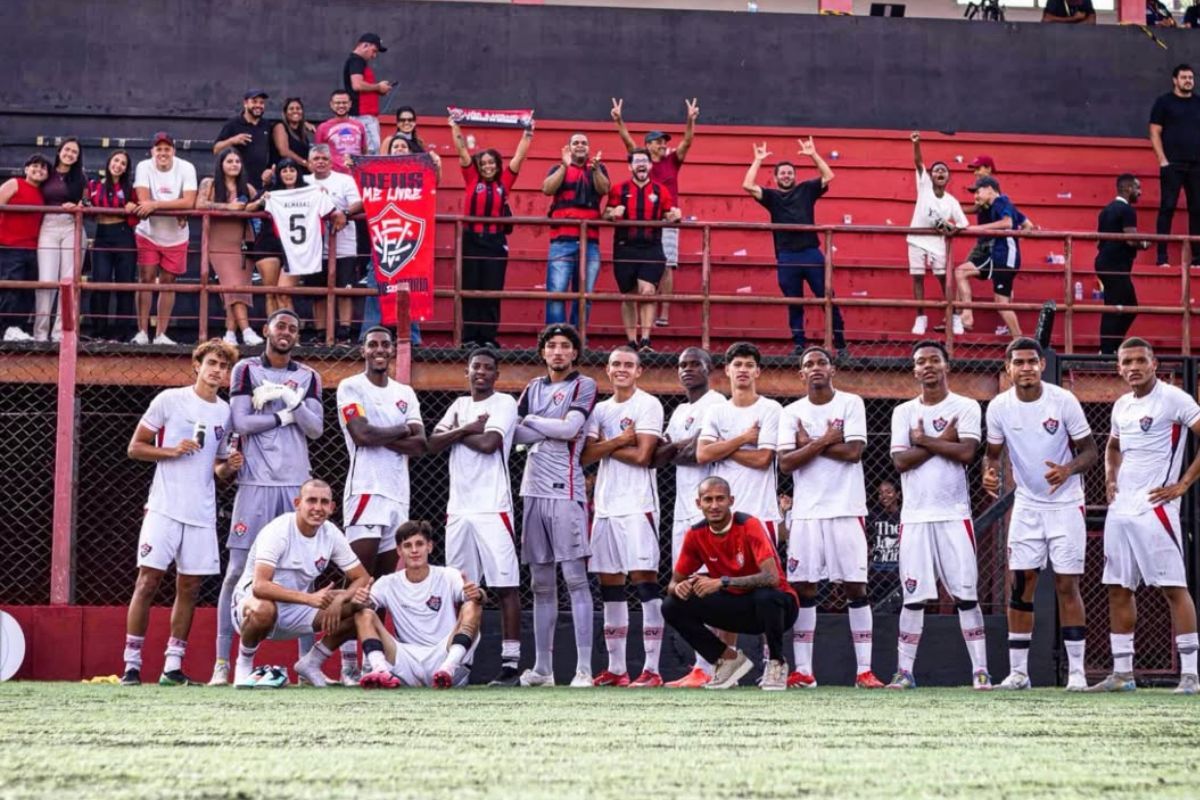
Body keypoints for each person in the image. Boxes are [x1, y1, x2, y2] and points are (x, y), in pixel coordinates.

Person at [209, 309, 323, 685]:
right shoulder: (246, 369)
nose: (286, 332)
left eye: (293, 328)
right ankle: (222, 663)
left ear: (297, 336)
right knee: (236, 572)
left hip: (295, 486)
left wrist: (291, 400)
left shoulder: (309, 376)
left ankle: (306, 666)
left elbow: (316, 428)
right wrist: (283, 418)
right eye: (280, 326)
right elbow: (242, 422)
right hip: (255, 485)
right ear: (266, 331)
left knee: (304, 574)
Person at [119, 339, 242, 685]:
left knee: (189, 587)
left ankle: (172, 667)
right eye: (212, 363)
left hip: (201, 513)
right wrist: (172, 450)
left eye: (223, 366)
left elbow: (217, 469)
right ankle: (131, 665)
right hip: (164, 507)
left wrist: (230, 466)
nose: (217, 371)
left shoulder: (225, 412)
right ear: (197, 365)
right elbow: (135, 448)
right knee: (147, 582)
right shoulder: (170, 400)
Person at [983, 338, 1097, 691]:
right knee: (1021, 584)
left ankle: (1076, 673)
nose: (1026, 368)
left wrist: (1067, 469)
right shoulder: (999, 407)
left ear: (1042, 365)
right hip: (1028, 505)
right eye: (1018, 362)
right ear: (1008, 368)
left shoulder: (1063, 401)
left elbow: (1090, 451)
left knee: (1067, 584)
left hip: (1066, 504)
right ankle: (1019, 673)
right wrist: (989, 472)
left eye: (1032, 361)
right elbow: (992, 453)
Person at [1089, 337, 1200, 694]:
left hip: (1156, 508)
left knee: (1173, 587)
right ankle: (1123, 674)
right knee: (1118, 587)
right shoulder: (1122, 404)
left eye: (1140, 360)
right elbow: (1113, 445)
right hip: (1121, 508)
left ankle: (1191, 675)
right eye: (1127, 362)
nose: (1133, 367)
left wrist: (1183, 484)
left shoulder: (1174, 398)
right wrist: (1110, 478)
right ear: (1118, 368)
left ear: (1154, 364)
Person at [777, 346, 884, 690]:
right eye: (809, 364)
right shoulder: (791, 412)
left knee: (855, 587)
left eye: (822, 362)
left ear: (832, 369)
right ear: (801, 374)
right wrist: (824, 440)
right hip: (806, 513)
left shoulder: (851, 403)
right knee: (804, 588)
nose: (816, 367)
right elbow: (785, 463)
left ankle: (864, 671)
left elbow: (854, 452)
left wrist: (807, 445)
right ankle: (804, 671)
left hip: (846, 509)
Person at [887, 340, 991, 690]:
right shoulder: (903, 412)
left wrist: (924, 441)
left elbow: (966, 453)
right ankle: (904, 672)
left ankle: (980, 671)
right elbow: (900, 462)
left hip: (953, 514)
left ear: (947, 365)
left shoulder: (966, 406)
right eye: (921, 361)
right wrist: (942, 440)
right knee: (914, 597)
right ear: (914, 370)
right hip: (915, 517)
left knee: (966, 594)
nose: (928, 366)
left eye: (934, 360)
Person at [427, 347, 522, 686]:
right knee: (462, 589)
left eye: (487, 368)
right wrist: (468, 428)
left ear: (496, 375)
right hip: (459, 508)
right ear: (466, 372)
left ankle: (510, 664)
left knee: (505, 585)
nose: (481, 372)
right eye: (475, 367)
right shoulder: (459, 405)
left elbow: (490, 443)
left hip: (493, 507)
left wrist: (457, 433)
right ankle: (460, 662)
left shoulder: (504, 403)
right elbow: (431, 443)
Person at [336, 326, 425, 683]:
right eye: (372, 344)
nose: (378, 349)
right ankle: (345, 663)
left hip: (398, 496)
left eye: (385, 345)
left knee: (383, 587)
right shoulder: (351, 387)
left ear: (392, 351)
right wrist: (401, 430)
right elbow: (361, 434)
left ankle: (374, 662)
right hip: (366, 492)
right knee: (358, 581)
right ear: (363, 350)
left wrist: (382, 434)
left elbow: (420, 444)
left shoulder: (405, 392)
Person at [513, 324, 598, 687]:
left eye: (565, 346)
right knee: (541, 583)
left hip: (565, 491)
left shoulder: (583, 385)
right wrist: (549, 426)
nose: (558, 351)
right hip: (532, 491)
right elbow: (513, 433)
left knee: (575, 579)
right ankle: (543, 669)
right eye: (552, 345)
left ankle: (584, 669)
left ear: (575, 352)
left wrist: (534, 422)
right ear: (543, 352)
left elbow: (570, 430)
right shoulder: (533, 387)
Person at [663, 476, 800, 691]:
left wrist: (722, 582)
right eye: (708, 500)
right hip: (737, 607)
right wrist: (680, 587)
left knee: (766, 596)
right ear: (699, 504)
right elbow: (672, 583)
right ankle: (728, 659)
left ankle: (776, 662)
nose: (714, 505)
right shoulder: (696, 534)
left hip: (779, 609)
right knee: (671, 605)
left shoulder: (748, 524)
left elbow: (771, 578)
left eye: (720, 499)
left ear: (731, 501)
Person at [231, 479, 370, 688]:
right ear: (297, 503)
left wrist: (341, 599)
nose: (318, 508)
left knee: (362, 606)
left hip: (297, 609)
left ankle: (311, 663)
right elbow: (260, 586)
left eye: (324, 502)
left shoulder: (331, 533)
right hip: (253, 605)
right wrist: (308, 598)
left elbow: (362, 578)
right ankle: (244, 663)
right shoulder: (278, 531)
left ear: (332, 508)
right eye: (311, 500)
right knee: (264, 608)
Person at [581, 347, 665, 688]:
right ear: (607, 369)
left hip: (637, 505)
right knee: (610, 586)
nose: (622, 369)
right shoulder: (600, 409)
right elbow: (585, 455)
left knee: (645, 583)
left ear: (639, 371)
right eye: (616, 364)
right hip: (605, 507)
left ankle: (652, 669)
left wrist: (607, 445)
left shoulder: (648, 404)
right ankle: (617, 669)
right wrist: (619, 440)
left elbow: (644, 455)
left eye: (629, 365)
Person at [654, 347, 726, 687]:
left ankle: (710, 666)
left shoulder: (717, 404)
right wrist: (681, 447)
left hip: (709, 512)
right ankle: (705, 665)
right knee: (684, 587)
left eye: (695, 364)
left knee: (708, 588)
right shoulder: (681, 410)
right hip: (682, 510)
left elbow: (697, 454)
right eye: (682, 364)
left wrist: (678, 448)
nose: (687, 369)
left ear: (709, 369)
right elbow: (659, 457)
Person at [743, 139, 846, 355]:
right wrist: (758, 160)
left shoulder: (806, 189)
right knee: (794, 302)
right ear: (775, 178)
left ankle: (840, 345)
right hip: (787, 256)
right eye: (782, 173)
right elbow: (748, 185)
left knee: (827, 298)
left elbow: (829, 176)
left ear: (795, 176)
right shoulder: (771, 197)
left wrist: (813, 154)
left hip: (811, 253)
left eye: (790, 173)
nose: (786, 176)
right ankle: (799, 345)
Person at [356, 521, 485, 689]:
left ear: (429, 547)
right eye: (407, 546)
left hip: (444, 653)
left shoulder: (448, 575)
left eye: (419, 544)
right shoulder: (387, 582)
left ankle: (448, 668)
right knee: (364, 614)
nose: (414, 550)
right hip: (405, 661)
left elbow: (477, 597)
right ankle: (380, 671)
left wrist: (478, 594)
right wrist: (360, 601)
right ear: (399, 551)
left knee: (472, 605)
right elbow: (363, 608)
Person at [611, 97, 700, 327]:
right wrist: (619, 120)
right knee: (638, 274)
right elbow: (627, 141)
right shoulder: (641, 161)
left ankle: (664, 313)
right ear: (648, 145)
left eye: (664, 142)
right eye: (658, 141)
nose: (663, 145)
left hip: (667, 218)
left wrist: (690, 120)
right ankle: (641, 320)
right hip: (642, 219)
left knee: (668, 264)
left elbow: (687, 142)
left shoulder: (672, 161)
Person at [448, 114, 534, 348]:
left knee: (492, 289)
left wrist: (528, 133)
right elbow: (462, 151)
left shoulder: (504, 182)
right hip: (470, 240)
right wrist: (455, 125)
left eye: (491, 163)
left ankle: (487, 338)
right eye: (483, 163)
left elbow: (519, 157)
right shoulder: (471, 178)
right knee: (469, 289)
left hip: (495, 242)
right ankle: (469, 338)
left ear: (497, 165)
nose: (487, 166)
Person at [696, 342, 783, 542]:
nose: (743, 369)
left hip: (760, 512)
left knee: (765, 564)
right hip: (723, 515)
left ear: (757, 371)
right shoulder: (716, 411)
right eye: (737, 364)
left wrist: (723, 446)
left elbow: (763, 459)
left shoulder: (771, 409)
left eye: (749, 365)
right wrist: (743, 439)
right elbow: (702, 454)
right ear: (727, 370)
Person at [604, 149, 682, 352]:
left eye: (644, 161)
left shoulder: (660, 190)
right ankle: (632, 341)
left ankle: (646, 340)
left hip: (651, 246)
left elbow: (669, 213)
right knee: (629, 295)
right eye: (637, 161)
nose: (641, 164)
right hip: (625, 246)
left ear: (650, 166)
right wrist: (613, 213)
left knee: (647, 291)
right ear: (630, 167)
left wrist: (674, 216)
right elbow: (605, 213)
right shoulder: (619, 189)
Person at [131, 132, 198, 346]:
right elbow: (143, 201)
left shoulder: (186, 167)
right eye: (158, 149)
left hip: (177, 235)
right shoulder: (144, 166)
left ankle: (161, 334)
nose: (163, 153)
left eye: (167, 149)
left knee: (168, 282)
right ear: (152, 151)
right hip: (148, 232)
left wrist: (157, 204)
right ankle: (142, 332)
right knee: (146, 279)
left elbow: (189, 201)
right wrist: (174, 207)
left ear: (173, 151)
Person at [542, 133, 610, 326]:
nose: (580, 146)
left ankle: (577, 338)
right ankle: (556, 337)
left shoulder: (598, 168)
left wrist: (596, 170)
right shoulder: (558, 168)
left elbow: (604, 189)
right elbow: (547, 189)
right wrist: (564, 166)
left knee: (585, 296)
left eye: (584, 143)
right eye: (576, 143)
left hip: (590, 243)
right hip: (562, 242)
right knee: (557, 294)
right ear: (569, 147)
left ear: (588, 148)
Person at [196, 149, 263, 346]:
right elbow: (199, 204)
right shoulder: (209, 183)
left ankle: (230, 333)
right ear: (221, 164)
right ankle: (247, 330)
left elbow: (258, 204)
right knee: (232, 285)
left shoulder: (247, 187)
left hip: (243, 242)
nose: (234, 165)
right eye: (229, 161)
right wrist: (227, 207)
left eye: (237, 161)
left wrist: (258, 201)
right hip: (219, 241)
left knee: (238, 288)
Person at [907, 132, 967, 335]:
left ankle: (955, 316)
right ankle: (920, 317)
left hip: (938, 243)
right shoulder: (924, 186)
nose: (940, 172)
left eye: (944, 170)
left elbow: (962, 223)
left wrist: (950, 228)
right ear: (930, 176)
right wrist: (916, 144)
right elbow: (918, 163)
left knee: (943, 278)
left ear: (948, 177)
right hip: (916, 239)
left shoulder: (951, 201)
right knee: (917, 277)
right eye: (936, 170)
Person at [304, 144, 362, 343]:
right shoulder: (303, 181)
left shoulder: (344, 180)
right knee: (318, 292)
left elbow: (358, 203)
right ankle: (321, 333)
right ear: (309, 163)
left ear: (331, 162)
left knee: (345, 289)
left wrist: (344, 213)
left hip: (344, 244)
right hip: (313, 246)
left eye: (324, 159)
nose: (320, 162)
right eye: (316, 159)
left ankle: (345, 333)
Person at [954, 176, 1024, 337]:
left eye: (978, 192)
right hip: (1003, 255)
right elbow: (1028, 225)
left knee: (962, 272)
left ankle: (967, 314)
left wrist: (975, 229)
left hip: (1003, 256)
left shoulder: (1000, 201)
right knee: (1001, 304)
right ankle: (1018, 340)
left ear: (990, 189)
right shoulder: (1000, 205)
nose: (975, 196)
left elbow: (1007, 223)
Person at [34, 138, 87, 343]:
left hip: (71, 225)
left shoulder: (80, 177)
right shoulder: (47, 172)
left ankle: (61, 333)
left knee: (68, 280)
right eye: (67, 150)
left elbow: (87, 201)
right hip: (48, 225)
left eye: (74, 152)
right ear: (59, 151)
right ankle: (40, 333)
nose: (70, 154)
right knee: (46, 280)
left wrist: (79, 206)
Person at [1149, 64, 1200, 268]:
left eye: (1191, 77)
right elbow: (1154, 132)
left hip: (1197, 165)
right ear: (1175, 80)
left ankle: (1198, 259)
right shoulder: (1164, 102)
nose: (1188, 81)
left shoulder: (1198, 103)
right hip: (1172, 165)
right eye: (1184, 77)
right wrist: (1162, 160)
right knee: (1167, 208)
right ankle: (1162, 258)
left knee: (1197, 210)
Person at [87, 150, 139, 341]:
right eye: (116, 160)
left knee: (125, 284)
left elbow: (138, 212)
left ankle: (121, 334)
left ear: (126, 169)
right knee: (100, 282)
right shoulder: (94, 185)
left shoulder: (130, 188)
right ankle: (99, 332)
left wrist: (133, 208)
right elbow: (86, 205)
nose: (118, 165)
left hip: (123, 235)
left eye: (123, 163)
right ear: (109, 162)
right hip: (102, 235)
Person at [247, 158, 308, 316]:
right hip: (268, 244)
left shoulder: (308, 191)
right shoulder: (271, 190)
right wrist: (261, 201)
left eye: (292, 170)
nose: (288, 174)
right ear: (279, 174)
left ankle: (291, 330)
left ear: (298, 173)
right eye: (284, 171)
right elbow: (248, 208)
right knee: (271, 293)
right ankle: (273, 330)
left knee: (284, 293)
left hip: (296, 247)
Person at [1097, 174, 1151, 355]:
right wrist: (1145, 243)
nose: (1140, 192)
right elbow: (1131, 238)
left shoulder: (1106, 210)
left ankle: (1110, 348)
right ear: (1128, 188)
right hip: (1115, 265)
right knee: (1120, 306)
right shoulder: (1127, 210)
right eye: (1137, 188)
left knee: (1122, 306)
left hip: (1107, 262)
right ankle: (1107, 351)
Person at [0, 154, 49, 343]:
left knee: (27, 290)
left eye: (43, 168)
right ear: (26, 168)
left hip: (32, 248)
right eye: (35, 166)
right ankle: (6, 328)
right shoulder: (15, 184)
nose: (39, 170)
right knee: (11, 287)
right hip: (10, 245)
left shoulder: (42, 193)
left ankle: (17, 328)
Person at [212, 90, 275, 191]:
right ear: (245, 103)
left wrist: (269, 170)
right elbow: (216, 149)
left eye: (261, 103)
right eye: (254, 102)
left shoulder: (267, 125)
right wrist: (232, 140)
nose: (258, 105)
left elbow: (272, 151)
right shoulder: (233, 124)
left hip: (261, 183)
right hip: (238, 183)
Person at [343, 33, 391, 156]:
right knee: (371, 152)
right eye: (374, 51)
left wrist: (378, 90)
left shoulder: (357, 61)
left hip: (365, 115)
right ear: (365, 45)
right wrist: (378, 87)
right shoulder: (356, 61)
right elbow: (357, 85)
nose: (374, 56)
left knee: (372, 150)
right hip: (362, 116)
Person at [867, 479, 902, 611]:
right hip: (877, 572)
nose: (884, 496)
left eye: (888, 492)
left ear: (898, 494)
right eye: (881, 493)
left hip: (899, 572)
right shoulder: (873, 517)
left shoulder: (905, 516)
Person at [315, 90, 367, 175]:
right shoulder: (322, 128)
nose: (341, 105)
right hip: (334, 175)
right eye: (337, 103)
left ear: (350, 104)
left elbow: (364, 151)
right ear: (331, 105)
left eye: (344, 103)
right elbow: (318, 155)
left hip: (357, 174)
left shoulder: (359, 126)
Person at [271, 98, 313, 174]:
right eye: (291, 109)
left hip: (302, 174)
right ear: (285, 113)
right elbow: (284, 152)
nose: (295, 111)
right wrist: (306, 163)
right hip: (286, 174)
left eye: (298, 108)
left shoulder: (302, 132)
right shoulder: (280, 127)